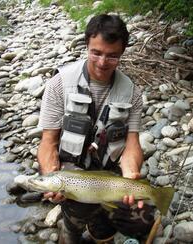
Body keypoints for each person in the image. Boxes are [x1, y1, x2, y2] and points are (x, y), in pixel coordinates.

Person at [37, 14, 155, 243]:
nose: (102, 62)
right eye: (96, 53)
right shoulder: (59, 84)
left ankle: (102, 234)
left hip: (110, 177)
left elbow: (132, 145)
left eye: (112, 56)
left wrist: (131, 176)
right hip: (73, 176)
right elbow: (48, 142)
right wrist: (52, 177)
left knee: (131, 224)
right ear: (86, 45)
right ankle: (71, 230)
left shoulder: (132, 93)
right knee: (72, 228)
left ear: (121, 53)